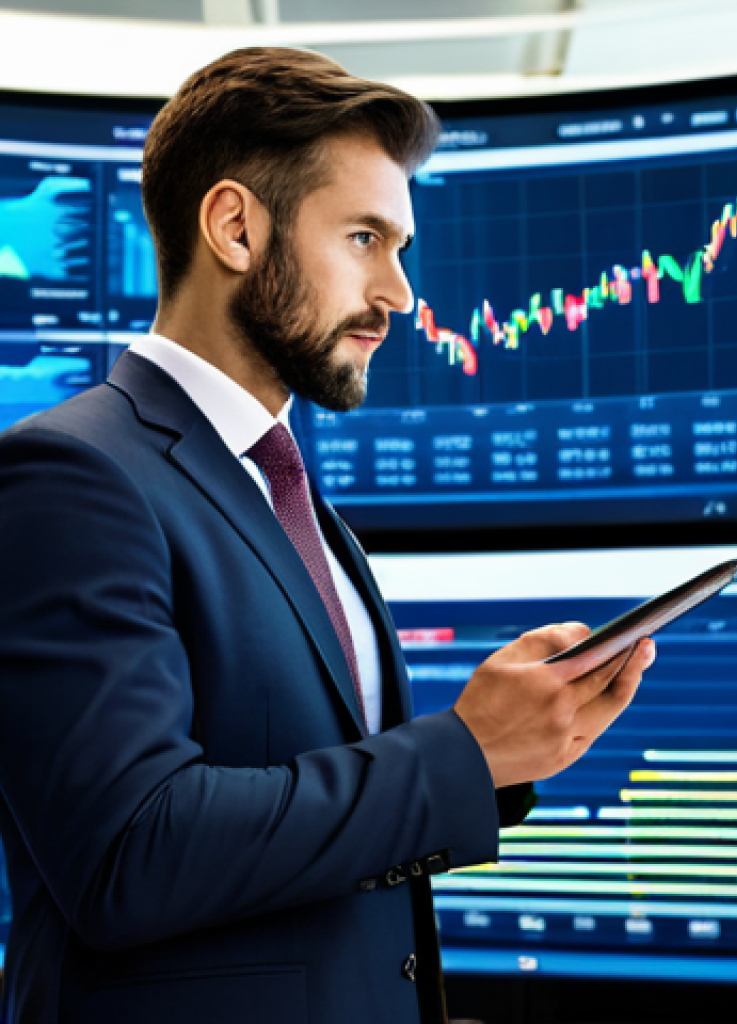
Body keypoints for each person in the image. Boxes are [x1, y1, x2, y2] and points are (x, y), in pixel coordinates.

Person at [0, 47, 655, 1024]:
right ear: (234, 227)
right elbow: (128, 855)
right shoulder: (70, 473)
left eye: (399, 247)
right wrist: (463, 752)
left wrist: (506, 755)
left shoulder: (289, 492)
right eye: (363, 238)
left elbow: (320, 806)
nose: (399, 294)